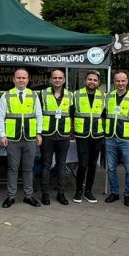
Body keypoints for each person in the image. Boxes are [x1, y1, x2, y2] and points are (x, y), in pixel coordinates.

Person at [0, 67, 43, 208]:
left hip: (30, 138)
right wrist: (2, 135)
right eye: (18, 77)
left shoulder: (34, 95)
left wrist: (39, 133)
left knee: (28, 168)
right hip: (12, 139)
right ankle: (11, 196)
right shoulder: (6, 96)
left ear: (28, 80)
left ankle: (28, 196)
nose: (21, 80)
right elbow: (0, 116)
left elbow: (39, 115)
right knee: (12, 168)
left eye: (24, 78)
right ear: (13, 79)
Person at [104, 70, 129, 207]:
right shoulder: (108, 96)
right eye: (118, 81)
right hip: (111, 138)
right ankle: (114, 192)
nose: (120, 83)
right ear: (114, 82)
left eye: (123, 81)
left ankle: (128, 195)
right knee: (111, 168)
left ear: (127, 81)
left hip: (126, 139)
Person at [38, 68, 74, 205]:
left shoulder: (70, 95)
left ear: (64, 80)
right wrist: (39, 133)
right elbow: (39, 114)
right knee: (46, 165)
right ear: (50, 80)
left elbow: (72, 115)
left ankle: (61, 193)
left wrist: (71, 133)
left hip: (63, 136)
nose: (57, 80)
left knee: (61, 165)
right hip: (47, 135)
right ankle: (45, 194)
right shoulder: (43, 93)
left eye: (60, 78)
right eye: (55, 78)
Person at [72, 70, 106, 204]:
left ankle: (88, 191)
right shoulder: (76, 95)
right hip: (82, 135)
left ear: (98, 83)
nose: (92, 82)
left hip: (97, 135)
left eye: (95, 80)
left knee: (93, 164)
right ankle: (78, 190)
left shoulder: (103, 96)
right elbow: (70, 114)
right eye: (90, 79)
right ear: (85, 81)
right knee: (83, 164)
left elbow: (106, 115)